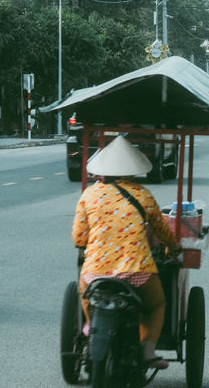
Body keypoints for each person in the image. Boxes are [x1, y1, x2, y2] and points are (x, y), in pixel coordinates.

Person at [71, 135, 181, 369]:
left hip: (95, 273)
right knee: (156, 305)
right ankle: (147, 352)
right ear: (132, 170)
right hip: (137, 273)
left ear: (102, 171)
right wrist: (174, 247)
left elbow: (79, 237)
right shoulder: (143, 195)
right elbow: (162, 230)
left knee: (84, 292)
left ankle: (92, 326)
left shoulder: (89, 195)